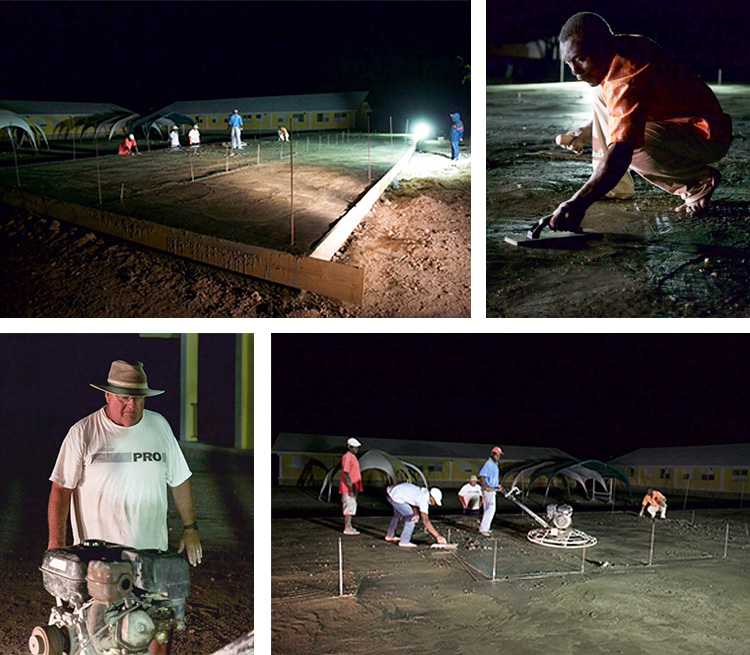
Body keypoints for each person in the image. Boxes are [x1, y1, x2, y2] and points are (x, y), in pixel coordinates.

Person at [47, 360, 202, 655]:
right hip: (101, 561)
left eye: (138, 398)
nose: (131, 405)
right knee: (102, 638)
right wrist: (56, 543)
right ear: (107, 396)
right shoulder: (84, 432)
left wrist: (190, 528)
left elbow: (180, 480)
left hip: (152, 555)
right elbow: (60, 490)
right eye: (123, 398)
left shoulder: (159, 426)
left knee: (160, 624)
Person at [550, 12, 733, 233]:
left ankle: (696, 182)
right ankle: (614, 186)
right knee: (601, 93)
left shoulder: (629, 74)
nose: (574, 72)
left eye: (580, 59)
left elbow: (622, 150)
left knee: (630, 145)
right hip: (679, 126)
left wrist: (577, 204)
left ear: (601, 47)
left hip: (707, 136)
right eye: (569, 62)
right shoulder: (621, 47)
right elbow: (628, 105)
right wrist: (589, 129)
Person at [385, 483, 446, 548]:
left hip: (390, 493)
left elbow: (415, 503)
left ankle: (390, 536)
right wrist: (437, 536)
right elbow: (426, 521)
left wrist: (417, 514)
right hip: (394, 497)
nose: (435, 503)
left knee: (398, 514)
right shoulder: (423, 499)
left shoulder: (424, 492)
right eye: (435, 501)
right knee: (412, 517)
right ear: (431, 497)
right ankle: (404, 541)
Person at [479, 446, 504, 536]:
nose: (499, 457)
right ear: (493, 454)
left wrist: (498, 486)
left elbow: (492, 477)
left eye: (500, 456)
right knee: (491, 508)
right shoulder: (489, 464)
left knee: (488, 509)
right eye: (498, 455)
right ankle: (483, 529)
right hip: (489, 490)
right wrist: (486, 487)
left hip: (493, 488)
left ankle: (486, 528)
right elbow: (482, 476)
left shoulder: (495, 464)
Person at [340, 437, 363, 535]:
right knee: (349, 507)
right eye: (355, 447)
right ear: (350, 447)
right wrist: (351, 488)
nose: (357, 449)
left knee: (352, 506)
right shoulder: (348, 457)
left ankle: (349, 526)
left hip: (352, 487)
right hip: (348, 488)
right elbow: (346, 473)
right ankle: (347, 528)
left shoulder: (352, 457)